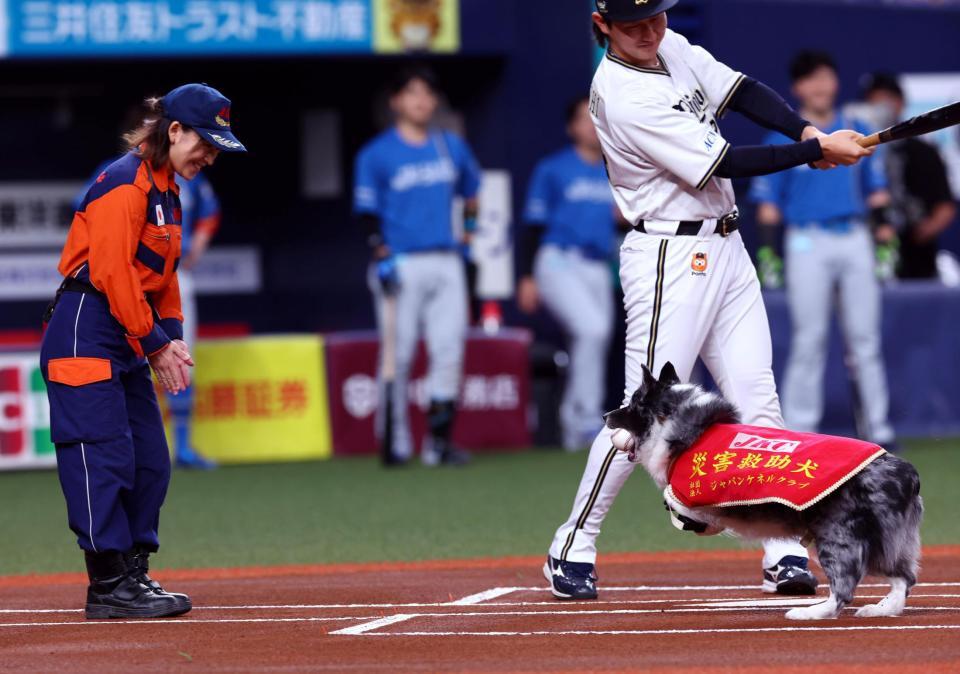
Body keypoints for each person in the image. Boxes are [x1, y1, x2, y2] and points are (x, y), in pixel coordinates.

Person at [545, 0, 875, 602]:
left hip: (726, 244)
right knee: (639, 416)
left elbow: (740, 90)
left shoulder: (667, 44)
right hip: (668, 255)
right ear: (602, 26)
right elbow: (723, 161)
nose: (650, 31)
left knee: (758, 399)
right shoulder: (621, 93)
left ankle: (780, 547)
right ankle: (574, 542)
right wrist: (816, 151)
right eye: (632, 25)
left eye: (656, 17)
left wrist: (808, 133)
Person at [40, 83, 246, 619]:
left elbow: (164, 277)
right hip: (86, 328)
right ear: (173, 131)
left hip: (127, 333)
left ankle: (134, 573)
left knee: (151, 461)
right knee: (102, 458)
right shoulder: (123, 182)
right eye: (205, 143)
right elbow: (112, 274)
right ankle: (108, 584)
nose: (210, 156)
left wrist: (171, 337)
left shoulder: (168, 191)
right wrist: (156, 345)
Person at [750, 52, 897, 449]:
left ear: (835, 82)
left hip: (854, 236)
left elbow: (877, 190)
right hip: (805, 240)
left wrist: (886, 238)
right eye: (810, 79)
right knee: (809, 338)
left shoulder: (856, 129)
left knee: (865, 338)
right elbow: (768, 206)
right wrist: (769, 252)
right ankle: (801, 431)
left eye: (826, 77)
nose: (819, 86)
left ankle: (879, 429)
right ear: (797, 88)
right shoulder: (784, 137)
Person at [354, 67, 482, 467]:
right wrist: (380, 253)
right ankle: (394, 441)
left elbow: (472, 194)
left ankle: (438, 444)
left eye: (427, 93)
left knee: (448, 351)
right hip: (400, 262)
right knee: (399, 354)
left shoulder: (450, 146)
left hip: (446, 259)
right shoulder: (376, 153)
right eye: (412, 93)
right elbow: (367, 213)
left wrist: (469, 236)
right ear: (396, 101)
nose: (421, 101)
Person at [76, 143, 223, 470]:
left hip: (171, 274)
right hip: (124, 276)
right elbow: (83, 211)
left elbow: (210, 213)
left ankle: (183, 446)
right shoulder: (118, 172)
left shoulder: (186, 176)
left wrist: (196, 247)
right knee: (123, 360)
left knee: (181, 356)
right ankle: (127, 447)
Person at [518, 96, 620, 451]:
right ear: (571, 127)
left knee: (594, 338)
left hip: (597, 264)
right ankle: (583, 419)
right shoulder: (554, 168)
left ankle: (576, 425)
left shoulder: (616, 168)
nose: (591, 125)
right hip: (558, 260)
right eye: (583, 118)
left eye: (596, 117)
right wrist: (526, 277)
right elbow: (532, 226)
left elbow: (626, 220)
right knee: (592, 329)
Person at [862, 72, 957, 280]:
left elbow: (945, 204)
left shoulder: (924, 151)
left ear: (901, 103)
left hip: (915, 250)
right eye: (874, 101)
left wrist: (926, 230)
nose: (881, 107)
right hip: (867, 248)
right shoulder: (855, 152)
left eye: (887, 99)